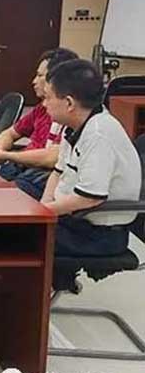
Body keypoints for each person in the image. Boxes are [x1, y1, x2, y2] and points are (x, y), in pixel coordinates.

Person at [41, 59, 141, 256]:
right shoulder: (75, 126)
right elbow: (58, 172)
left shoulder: (99, 134)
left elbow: (88, 198)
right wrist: (43, 206)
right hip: (74, 221)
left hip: (98, 235)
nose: (44, 104)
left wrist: (42, 213)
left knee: (21, 237)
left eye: (48, 98)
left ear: (69, 103)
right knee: (20, 226)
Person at [0, 48, 78, 199]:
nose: (34, 81)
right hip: (23, 168)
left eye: (40, 76)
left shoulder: (71, 116)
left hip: (38, 175)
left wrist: (6, 155)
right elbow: (9, 133)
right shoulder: (42, 108)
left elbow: (52, 158)